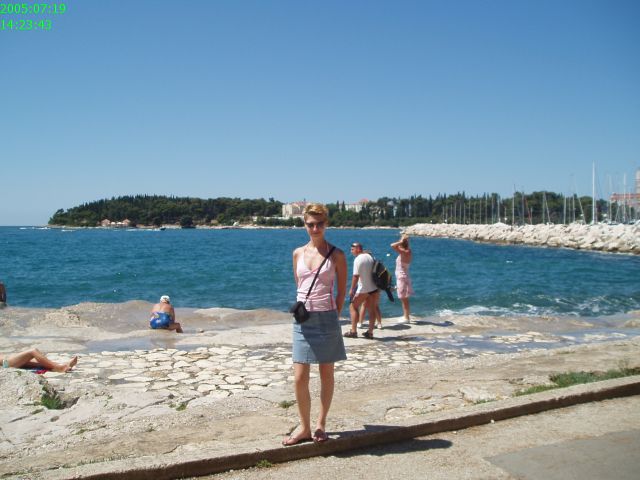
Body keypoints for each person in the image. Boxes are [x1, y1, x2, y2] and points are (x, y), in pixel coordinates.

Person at [283, 203, 347, 446]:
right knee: (300, 377)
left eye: (319, 224)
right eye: (311, 224)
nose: (315, 228)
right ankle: (304, 427)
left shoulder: (337, 255)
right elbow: (299, 285)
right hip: (303, 320)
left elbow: (341, 292)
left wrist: (334, 315)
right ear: (305, 225)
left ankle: (320, 424)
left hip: (327, 318)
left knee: (326, 374)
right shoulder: (297, 253)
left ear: (326, 224)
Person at [344, 243, 378, 339]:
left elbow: (355, 276)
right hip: (374, 287)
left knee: (353, 306)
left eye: (352, 249)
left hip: (363, 288)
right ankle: (370, 332)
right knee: (372, 310)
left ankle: (353, 331)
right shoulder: (370, 257)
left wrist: (351, 289)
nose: (351, 251)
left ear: (358, 249)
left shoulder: (358, 259)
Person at [391, 234, 414, 322]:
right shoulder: (407, 251)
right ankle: (406, 316)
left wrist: (400, 241)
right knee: (404, 297)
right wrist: (402, 241)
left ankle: (406, 317)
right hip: (404, 276)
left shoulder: (405, 252)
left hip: (402, 277)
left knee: (403, 298)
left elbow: (392, 245)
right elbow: (395, 246)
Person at [0, 348, 78, 373]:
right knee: (33, 351)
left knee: (38, 362)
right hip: (6, 363)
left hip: (7, 362)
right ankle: (60, 368)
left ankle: (61, 366)